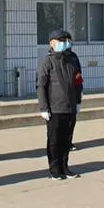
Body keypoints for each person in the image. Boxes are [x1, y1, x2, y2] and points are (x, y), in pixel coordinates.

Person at [37, 29, 83, 180]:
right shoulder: (47, 61)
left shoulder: (72, 60)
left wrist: (78, 100)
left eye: (66, 41)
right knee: (54, 141)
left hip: (70, 106)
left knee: (66, 139)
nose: (65, 43)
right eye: (61, 41)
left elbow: (78, 81)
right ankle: (55, 169)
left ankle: (65, 167)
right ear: (52, 43)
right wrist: (44, 107)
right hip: (54, 108)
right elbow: (41, 86)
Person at [64, 32, 81, 152]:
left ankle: (68, 142)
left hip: (73, 93)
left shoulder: (73, 57)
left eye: (69, 41)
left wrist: (80, 91)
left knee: (71, 120)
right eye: (65, 41)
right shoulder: (52, 58)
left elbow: (78, 75)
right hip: (59, 95)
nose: (68, 43)